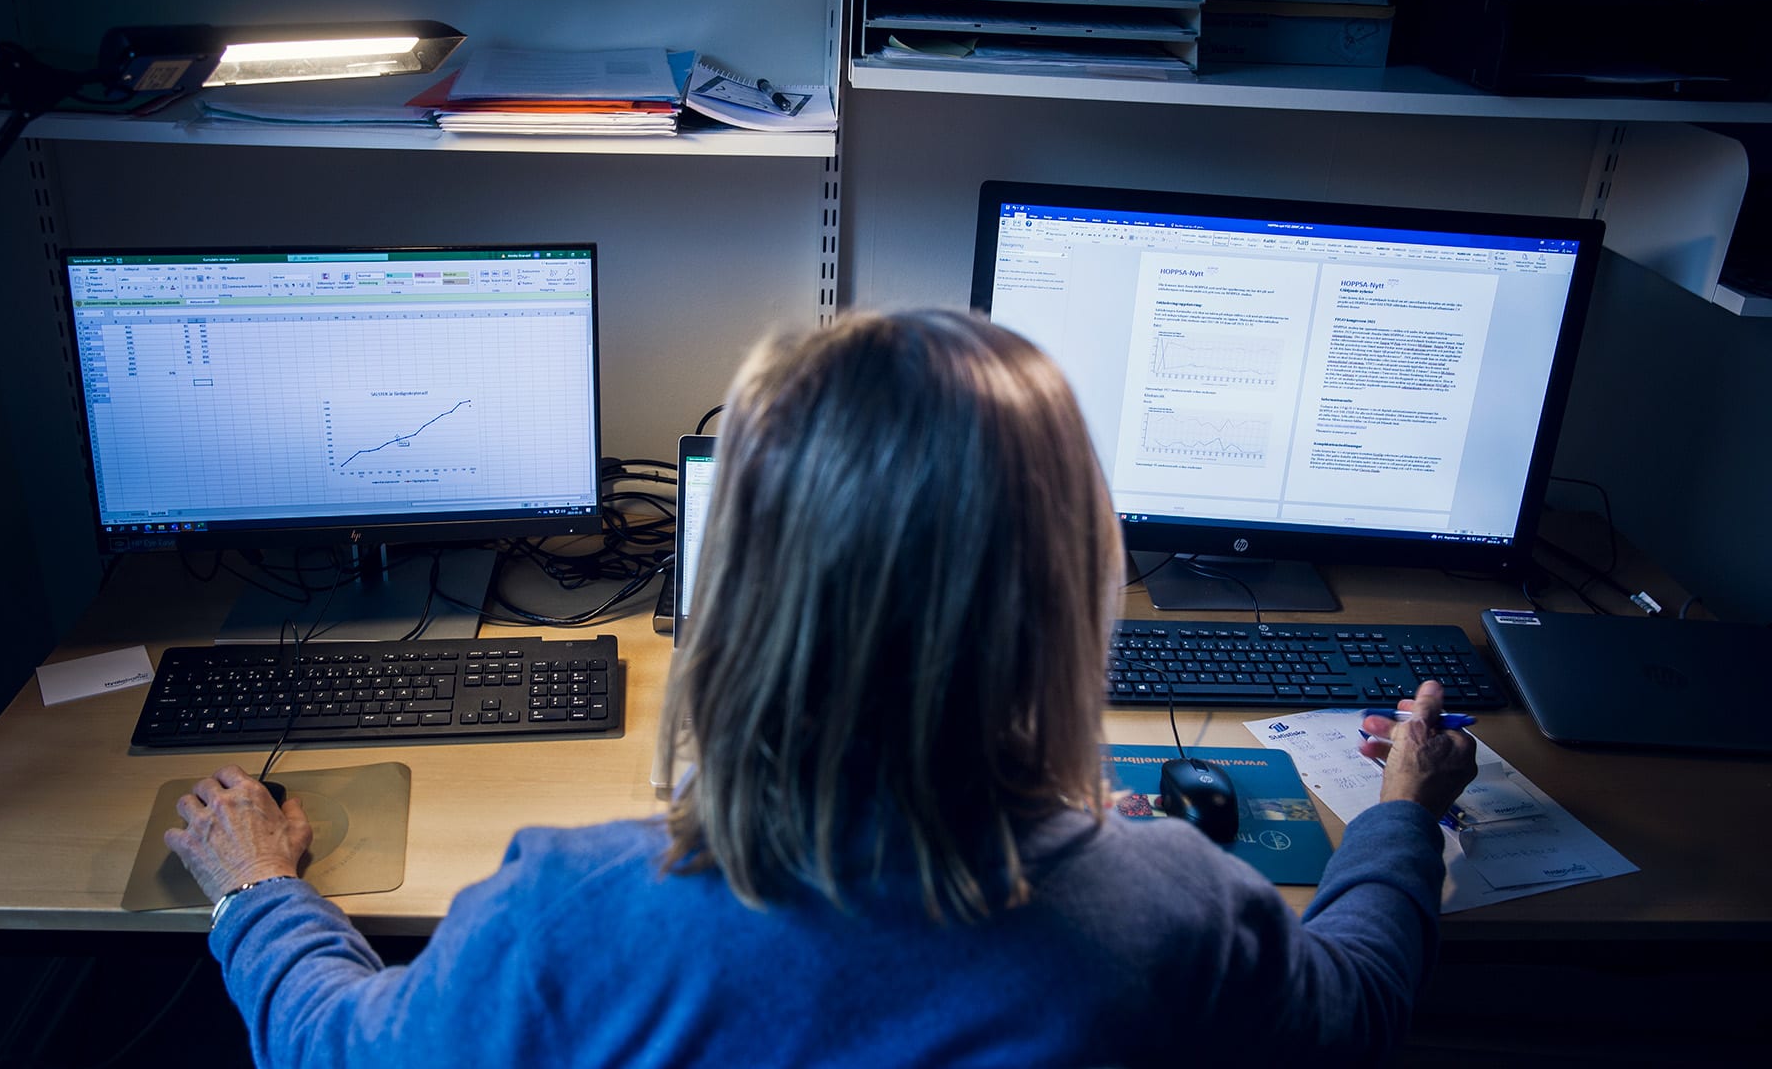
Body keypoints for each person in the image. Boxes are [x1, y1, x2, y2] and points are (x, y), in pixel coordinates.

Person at [166, 309, 1477, 1067]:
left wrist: (259, 893)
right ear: (1064, 594)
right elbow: (1352, 1012)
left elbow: (338, 1048)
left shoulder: (562, 919)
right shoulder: (1178, 909)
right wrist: (1402, 812)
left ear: (741, 592)